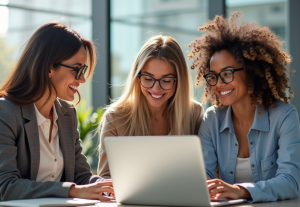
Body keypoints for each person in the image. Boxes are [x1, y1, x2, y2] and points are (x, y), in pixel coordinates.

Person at [187, 12, 300, 203]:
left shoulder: (284, 117)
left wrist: (240, 191)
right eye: (213, 76)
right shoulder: (212, 119)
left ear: (250, 71)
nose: (219, 84)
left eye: (227, 73)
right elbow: (202, 175)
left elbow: (290, 182)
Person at [0, 22, 113, 201]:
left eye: (83, 70)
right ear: (49, 67)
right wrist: (71, 191)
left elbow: (81, 176)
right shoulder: (5, 112)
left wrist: (111, 186)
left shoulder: (67, 114)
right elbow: (5, 187)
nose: (82, 79)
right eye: (77, 69)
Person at [98, 35, 204, 178]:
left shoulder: (194, 114)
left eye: (166, 80)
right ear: (137, 77)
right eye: (148, 79)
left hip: (181, 199)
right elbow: (105, 179)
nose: (156, 88)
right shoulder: (116, 117)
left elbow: (204, 173)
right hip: (132, 201)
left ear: (180, 80)